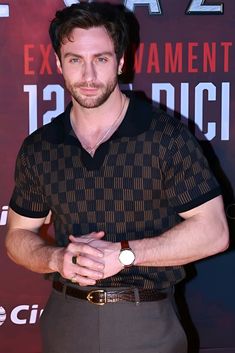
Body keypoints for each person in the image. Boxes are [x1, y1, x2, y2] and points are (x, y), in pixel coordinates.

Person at [5, 2, 229, 353]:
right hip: (65, 319)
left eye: (102, 59)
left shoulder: (164, 137)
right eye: (76, 59)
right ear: (59, 64)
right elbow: (18, 236)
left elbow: (214, 232)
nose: (89, 75)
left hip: (147, 320)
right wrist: (55, 259)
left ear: (121, 62)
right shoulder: (41, 146)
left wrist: (124, 255)